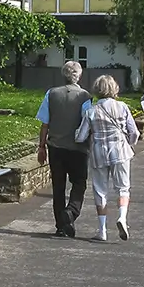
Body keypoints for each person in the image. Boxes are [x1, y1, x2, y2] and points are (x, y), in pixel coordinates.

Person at [76, 74, 140, 242]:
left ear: (97, 90)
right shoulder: (122, 107)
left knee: (100, 191)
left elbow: (80, 137)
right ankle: (122, 218)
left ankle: (102, 230)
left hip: (99, 153)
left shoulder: (91, 111)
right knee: (123, 188)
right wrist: (129, 143)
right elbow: (134, 132)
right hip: (120, 151)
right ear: (114, 88)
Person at [36, 61, 93, 238]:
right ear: (79, 75)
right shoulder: (85, 97)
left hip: (56, 147)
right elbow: (87, 122)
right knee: (79, 182)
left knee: (58, 186)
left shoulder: (51, 94)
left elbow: (45, 123)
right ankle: (71, 211)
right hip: (78, 148)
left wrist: (41, 146)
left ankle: (61, 225)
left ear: (63, 75)